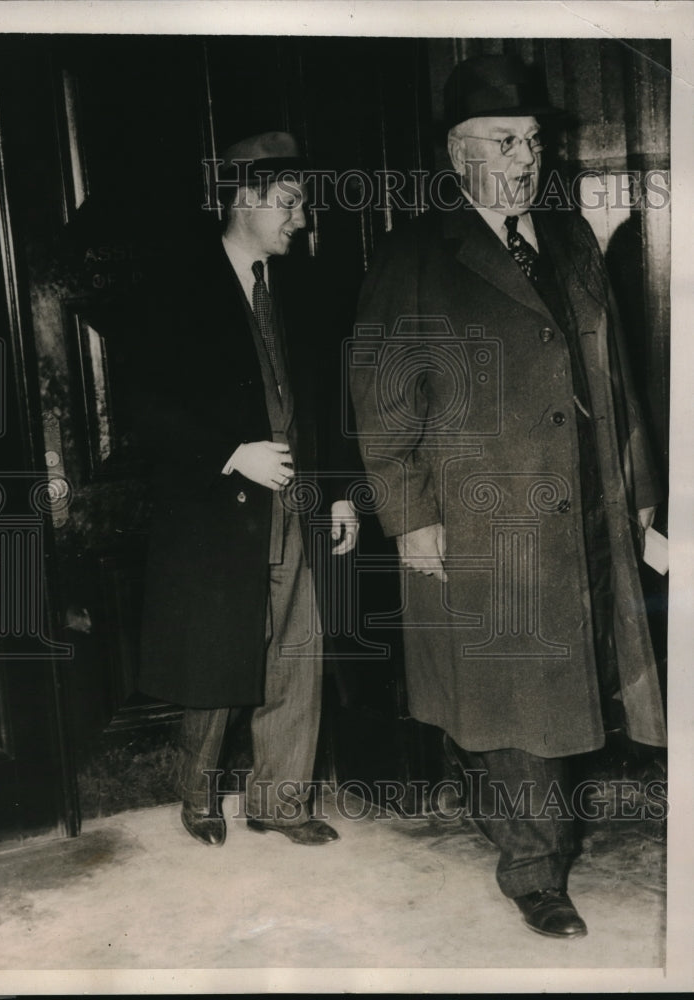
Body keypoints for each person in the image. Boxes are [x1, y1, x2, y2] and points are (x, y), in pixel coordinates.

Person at [349, 55, 666, 937]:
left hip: (587, 505)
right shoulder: (415, 253)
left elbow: (617, 372)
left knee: (565, 680)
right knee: (513, 692)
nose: (526, 158)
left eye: (532, 140)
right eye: (504, 140)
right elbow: (382, 402)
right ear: (459, 153)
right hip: (484, 514)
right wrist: (411, 519)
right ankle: (535, 869)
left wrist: (639, 489)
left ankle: (503, 801)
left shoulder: (567, 238)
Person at [133, 131, 358, 847]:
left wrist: (342, 492)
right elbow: (143, 405)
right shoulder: (178, 285)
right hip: (219, 503)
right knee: (218, 650)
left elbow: (329, 402)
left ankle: (280, 803)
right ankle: (198, 796)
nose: (301, 219)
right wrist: (231, 453)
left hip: (299, 499)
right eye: (288, 203)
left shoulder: (305, 288)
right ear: (242, 199)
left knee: (298, 646)